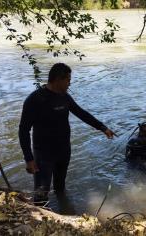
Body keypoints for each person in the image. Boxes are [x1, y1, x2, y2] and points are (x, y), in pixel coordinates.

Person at [19, 63, 115, 204]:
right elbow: (23, 130)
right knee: (41, 193)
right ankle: (39, 220)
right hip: (43, 155)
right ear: (58, 79)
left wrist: (102, 127)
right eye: (68, 80)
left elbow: (81, 113)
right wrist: (29, 158)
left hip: (64, 151)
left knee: (60, 188)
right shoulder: (35, 99)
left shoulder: (65, 97)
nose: (69, 84)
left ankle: (63, 213)